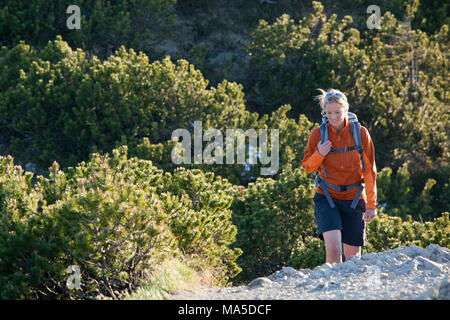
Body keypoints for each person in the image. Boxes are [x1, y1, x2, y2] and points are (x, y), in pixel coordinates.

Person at [301, 88, 377, 263]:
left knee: (353, 258)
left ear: (346, 110)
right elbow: (307, 167)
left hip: (354, 198)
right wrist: (320, 153)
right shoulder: (318, 135)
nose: (333, 117)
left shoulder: (361, 133)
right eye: (329, 113)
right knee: (334, 250)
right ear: (324, 113)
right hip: (327, 197)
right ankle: (330, 289)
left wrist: (371, 205)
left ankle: (350, 290)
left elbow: (369, 171)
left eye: (337, 112)